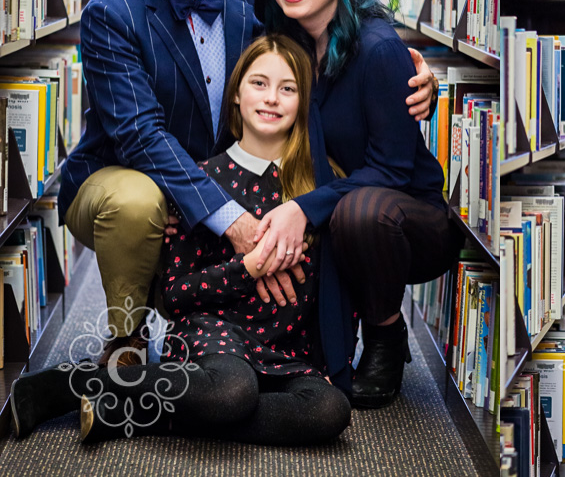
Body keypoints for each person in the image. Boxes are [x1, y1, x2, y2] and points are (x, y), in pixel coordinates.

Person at [57, 0, 438, 368]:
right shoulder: (111, 12)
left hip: (226, 181)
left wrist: (417, 79)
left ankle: (259, 337)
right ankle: (125, 345)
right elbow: (140, 136)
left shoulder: (261, 4)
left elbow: (318, 77)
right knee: (138, 200)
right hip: (130, 176)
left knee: (304, 194)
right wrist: (228, 216)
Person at [11, 35, 352, 445]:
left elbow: (334, 285)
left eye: (288, 88)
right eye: (259, 83)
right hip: (214, 335)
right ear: (235, 97)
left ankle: (123, 406)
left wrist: (336, 357)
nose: (272, 98)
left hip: (287, 350)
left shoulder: (323, 184)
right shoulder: (202, 182)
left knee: (329, 411)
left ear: (304, 102)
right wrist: (246, 269)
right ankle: (77, 383)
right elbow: (175, 296)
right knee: (231, 391)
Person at [249, 0, 464, 408]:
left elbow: (390, 171)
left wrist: (304, 208)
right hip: (335, 204)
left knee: (359, 211)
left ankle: (386, 333)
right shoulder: (288, 44)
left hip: (405, 219)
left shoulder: (378, 49)